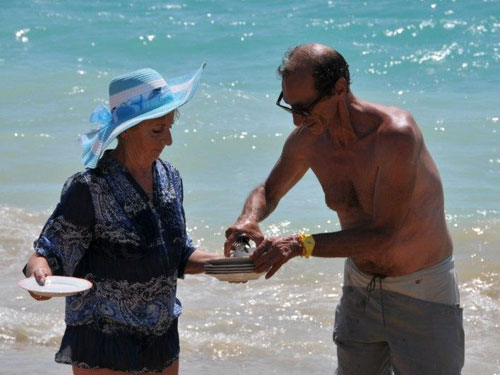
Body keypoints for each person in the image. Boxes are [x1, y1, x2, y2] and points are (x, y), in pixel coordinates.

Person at [224, 44, 464, 375]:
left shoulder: (395, 136)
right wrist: (248, 218)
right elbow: (269, 190)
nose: (296, 119)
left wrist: (297, 244)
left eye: (304, 108)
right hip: (360, 286)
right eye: (289, 107)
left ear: (339, 88)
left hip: (421, 288)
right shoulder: (308, 138)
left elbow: (385, 236)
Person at [24, 63, 223, 375]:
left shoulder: (170, 178)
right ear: (126, 131)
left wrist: (229, 264)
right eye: (158, 130)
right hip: (103, 341)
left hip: (161, 337)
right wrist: (39, 275)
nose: (168, 140)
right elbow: (48, 254)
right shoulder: (89, 188)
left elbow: (177, 254)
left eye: (170, 127)